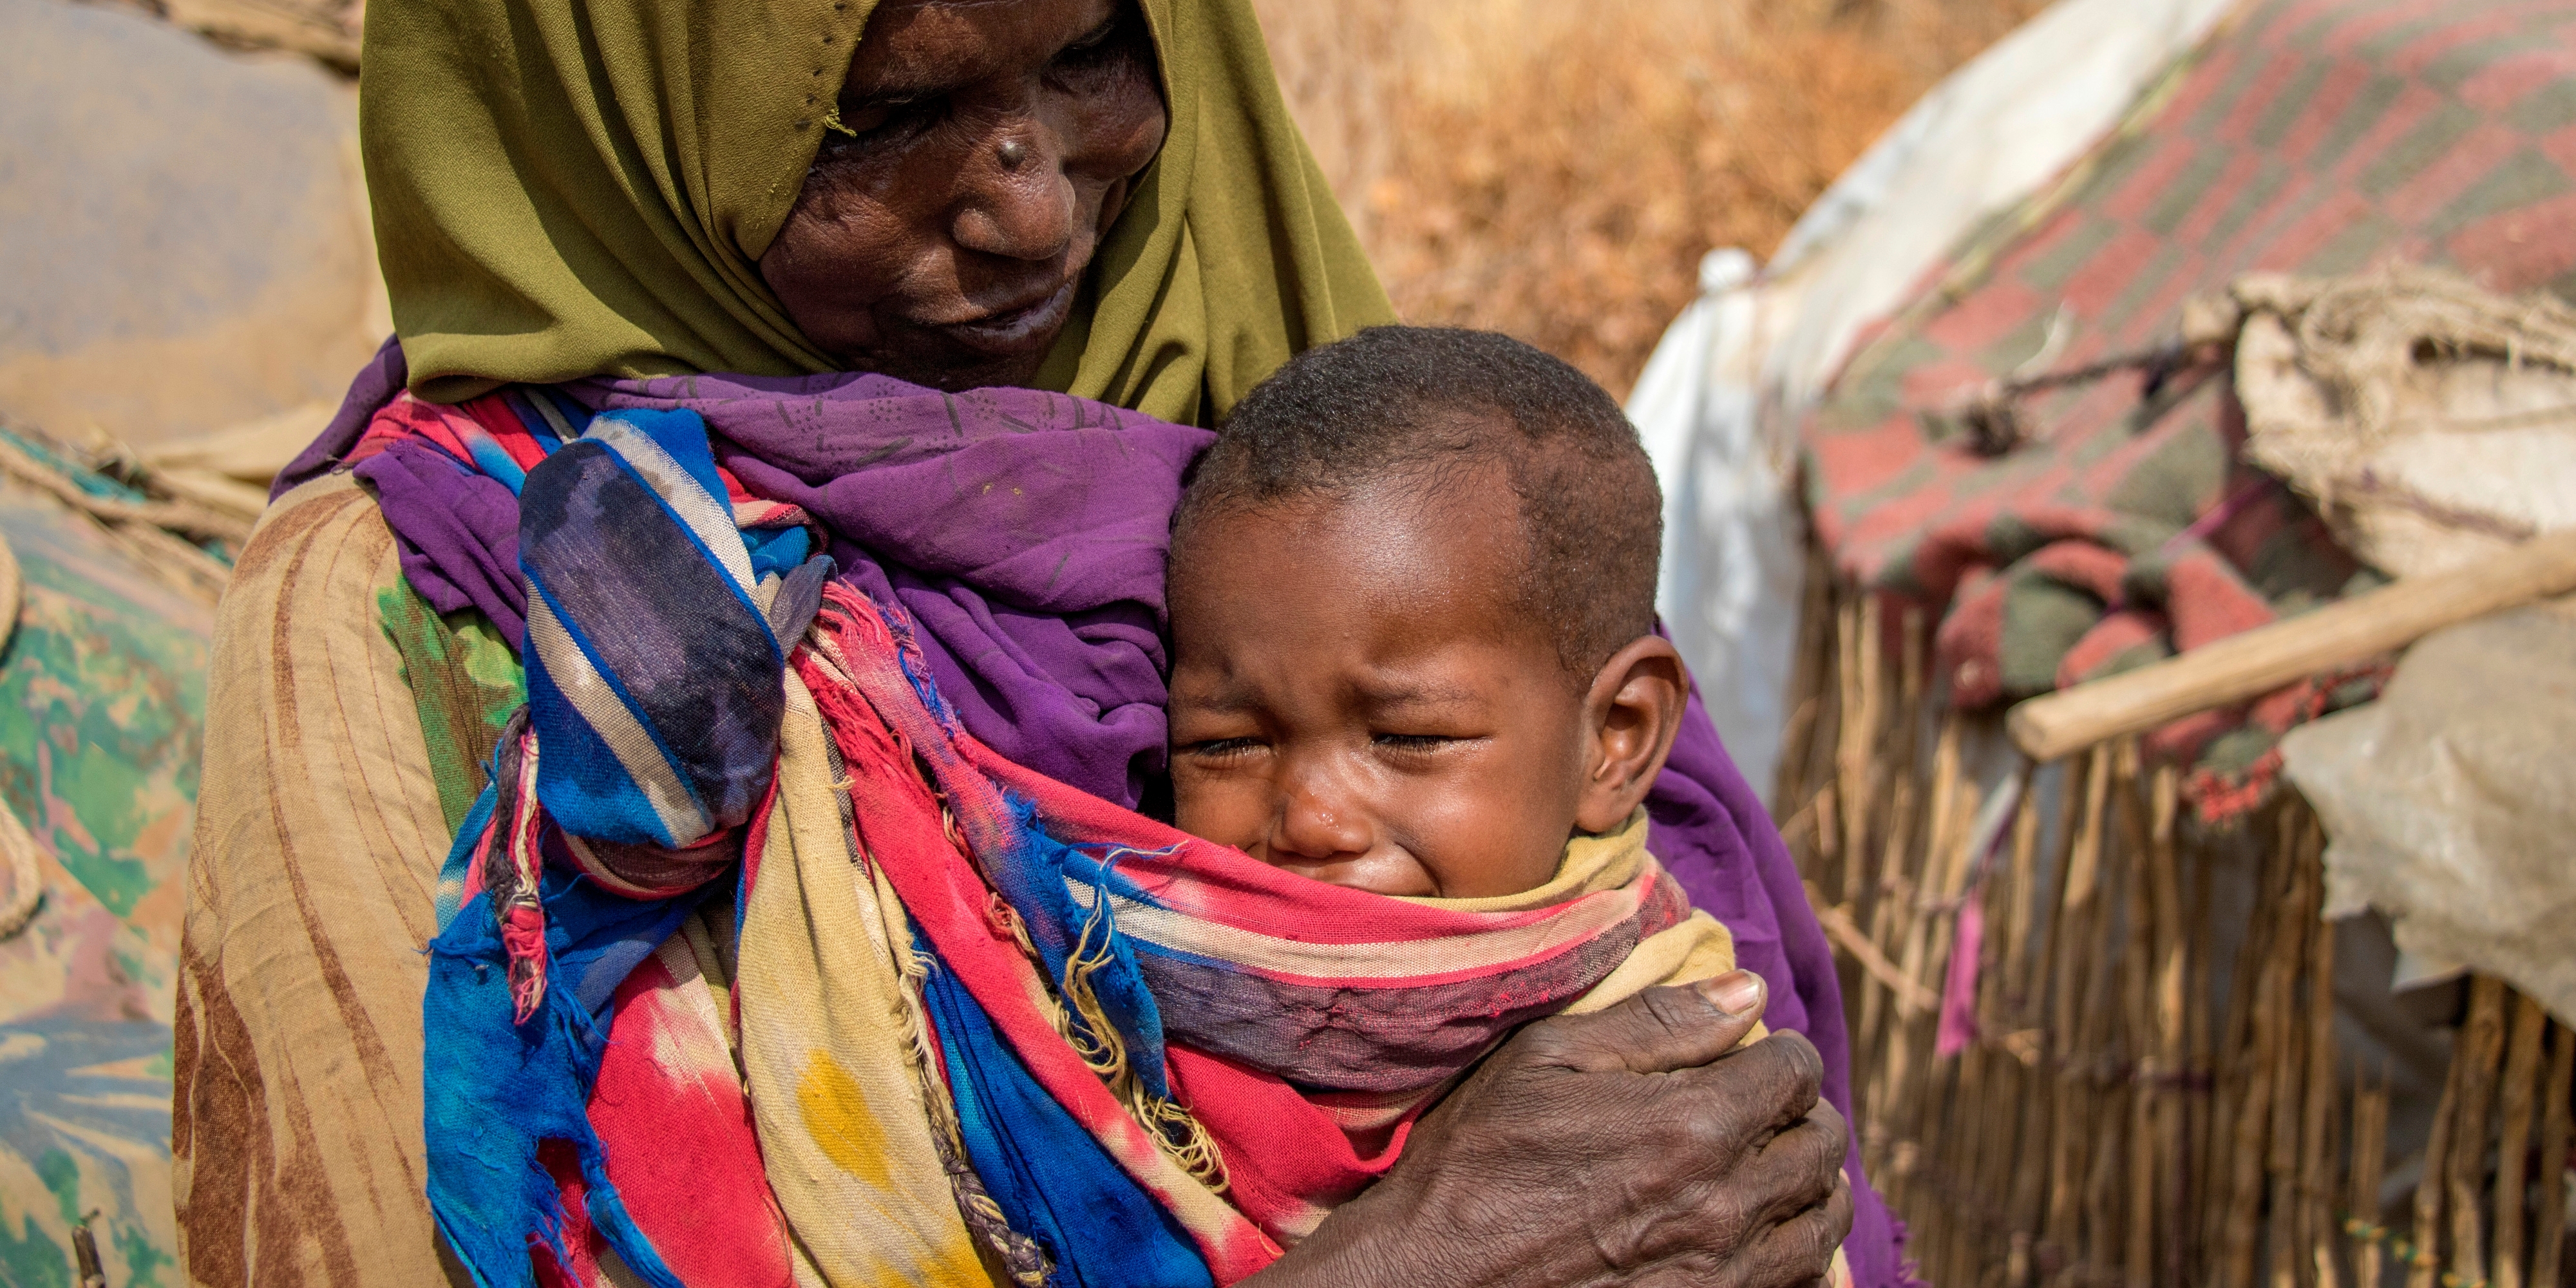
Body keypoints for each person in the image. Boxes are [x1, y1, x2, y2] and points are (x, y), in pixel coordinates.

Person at [172, 1, 1891, 1285]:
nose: (1034, 213)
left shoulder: (1351, 474)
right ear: (611, 108)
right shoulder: (429, 611)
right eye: (891, 116)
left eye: (1087, 57)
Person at [1155, 323, 1849, 1288]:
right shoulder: (1109, 1014)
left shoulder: (1673, 1055)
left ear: (1616, 737)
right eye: (1224, 743)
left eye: (1408, 738)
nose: (1310, 819)